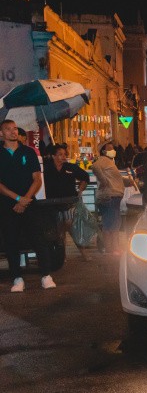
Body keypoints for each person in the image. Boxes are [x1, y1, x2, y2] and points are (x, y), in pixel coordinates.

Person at [0, 119, 56, 291]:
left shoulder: (28, 152)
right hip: (8, 204)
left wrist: (25, 199)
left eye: (15, 128)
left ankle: (46, 275)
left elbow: (37, 179)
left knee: (38, 239)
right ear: (1, 134)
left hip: (30, 202)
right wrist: (17, 199)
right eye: (8, 129)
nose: (13, 132)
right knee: (11, 242)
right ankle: (17, 278)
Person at [43, 143, 91, 261]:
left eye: (64, 154)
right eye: (60, 154)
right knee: (59, 229)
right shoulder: (46, 169)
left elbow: (85, 177)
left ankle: (83, 253)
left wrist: (80, 190)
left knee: (70, 226)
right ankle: (62, 255)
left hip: (69, 202)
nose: (63, 157)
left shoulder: (70, 167)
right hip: (52, 204)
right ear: (53, 156)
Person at [91, 141, 130, 254]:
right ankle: (110, 249)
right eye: (110, 148)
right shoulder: (103, 160)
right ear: (104, 151)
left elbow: (114, 178)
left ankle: (114, 248)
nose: (113, 150)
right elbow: (95, 167)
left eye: (113, 148)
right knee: (110, 224)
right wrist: (103, 181)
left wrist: (127, 182)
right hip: (110, 196)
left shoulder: (110, 162)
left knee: (114, 223)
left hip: (114, 196)